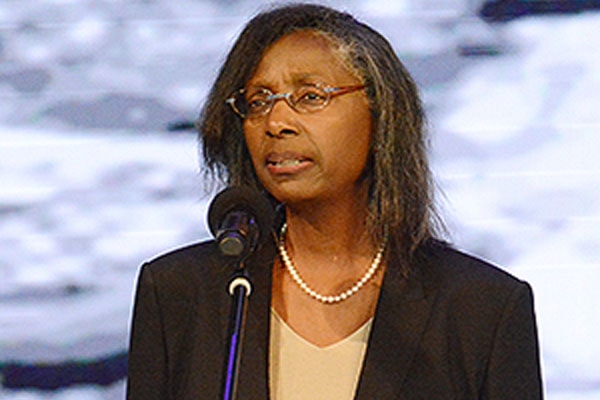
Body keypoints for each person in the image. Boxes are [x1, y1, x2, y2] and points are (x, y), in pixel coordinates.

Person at [126, 3, 544, 399]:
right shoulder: (180, 292)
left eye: (310, 96)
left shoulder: (482, 308)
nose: (276, 122)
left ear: (381, 114)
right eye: (258, 102)